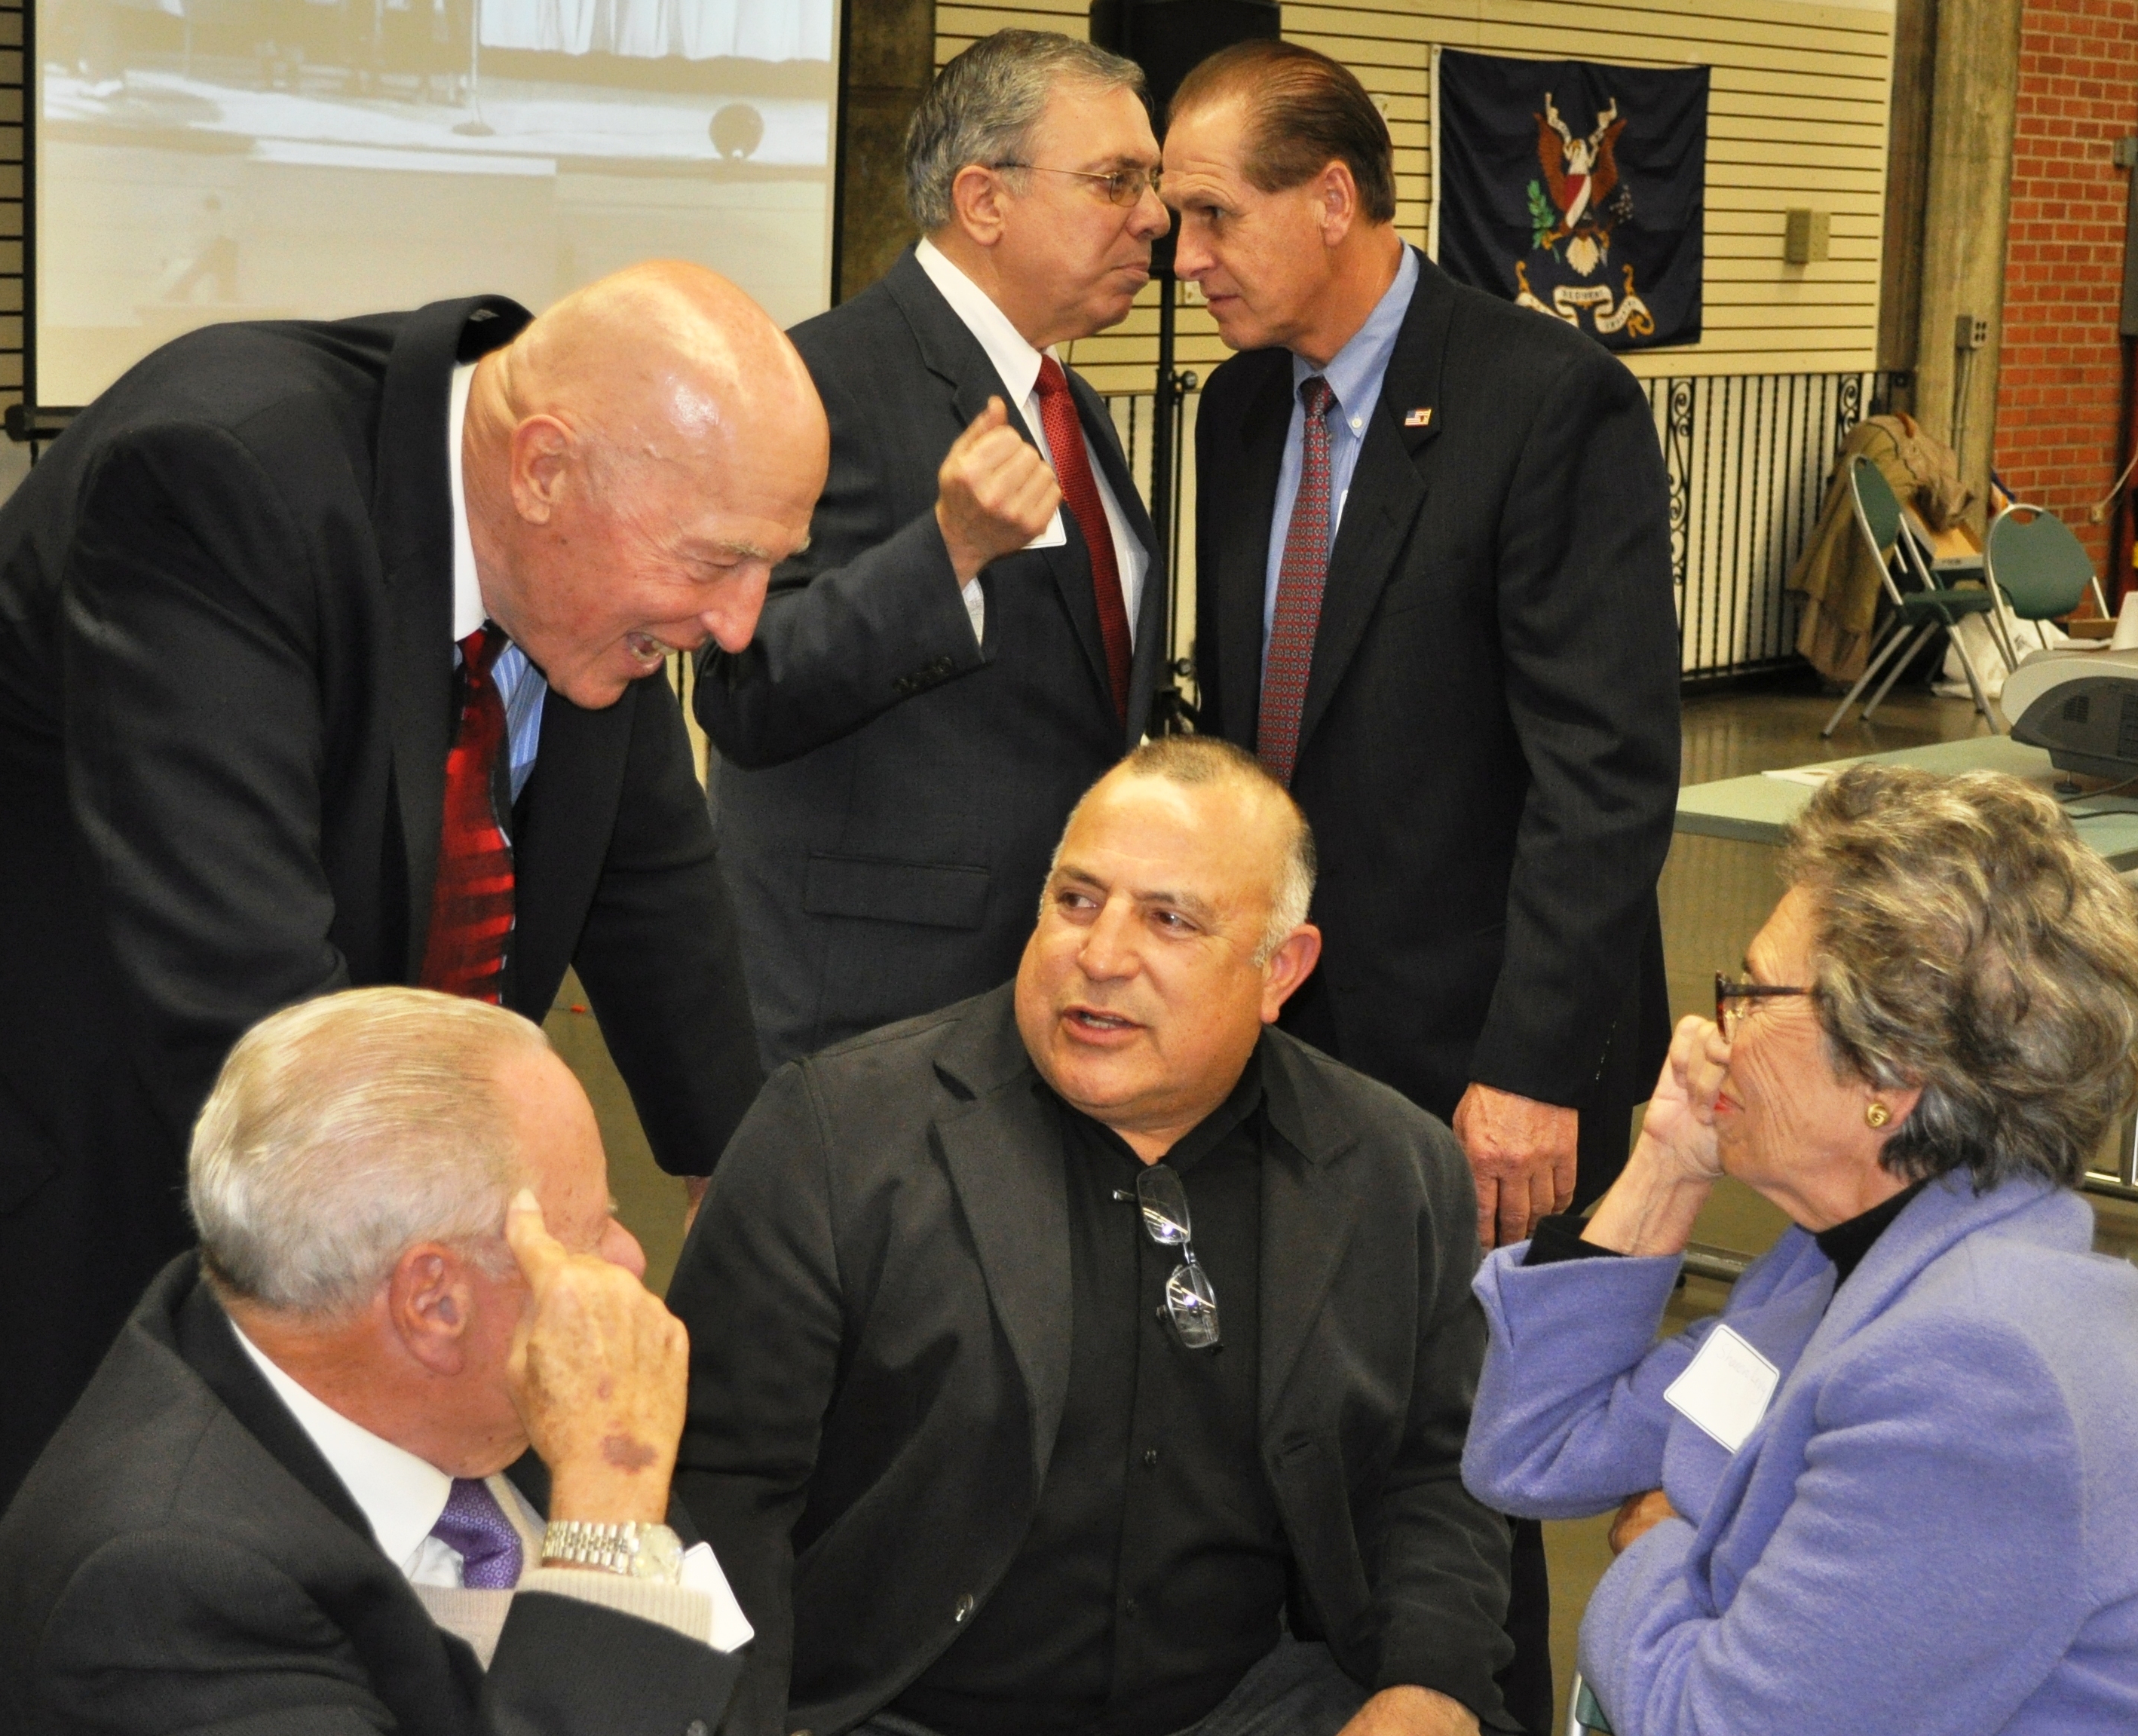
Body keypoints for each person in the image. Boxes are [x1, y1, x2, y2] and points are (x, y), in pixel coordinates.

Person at [0, 262, 822, 1734]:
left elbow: (646, 868)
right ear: (544, 468)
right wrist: (507, 1277)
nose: (739, 624)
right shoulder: (214, 476)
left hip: (256, 1141)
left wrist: (737, 1183)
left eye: (769, 569)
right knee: (30, 1633)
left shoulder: (582, 577)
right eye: (716, 562)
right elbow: (245, 1004)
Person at [1161, 42, 1683, 1725]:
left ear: (1331, 198)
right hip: (1280, 1035)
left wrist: (1529, 1066)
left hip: (1479, 1055)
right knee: (1280, 1417)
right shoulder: (1237, 409)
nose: (1183, 258)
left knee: (1461, 1454)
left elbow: (1604, 777)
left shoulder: (1545, 400)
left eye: (1212, 216)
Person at [672, 737, 1519, 1736]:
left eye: (1169, 918)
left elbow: (1436, 1475)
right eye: (1076, 899)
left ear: (1279, 969)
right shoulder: (835, 1137)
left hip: (1251, 1704)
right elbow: (717, 1485)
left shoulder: (1392, 1169)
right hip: (895, 1709)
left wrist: (1427, 1683)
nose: (1102, 954)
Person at [1463, 766, 2138, 1735]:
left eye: (1751, 991)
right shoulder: (1836, 1267)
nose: (1715, 1031)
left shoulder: (1976, 1373)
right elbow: (1531, 1450)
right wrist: (1666, 1163)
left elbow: (1708, 1725)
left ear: (1888, 1068)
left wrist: (1664, 1537)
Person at [0, 987, 746, 1734]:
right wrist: (609, 1507)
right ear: (434, 1303)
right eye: (588, 1232)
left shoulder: (495, 1380)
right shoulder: (163, 1593)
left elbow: (725, 1665)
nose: (628, 1258)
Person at [695, 29, 1171, 1070]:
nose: (1155, 216)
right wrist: (946, 552)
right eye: (1116, 181)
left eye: (1152, 183)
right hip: (869, 1017)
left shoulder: (1069, 404)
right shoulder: (813, 382)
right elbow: (745, 691)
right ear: (983, 200)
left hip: (1045, 994)